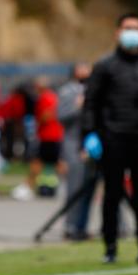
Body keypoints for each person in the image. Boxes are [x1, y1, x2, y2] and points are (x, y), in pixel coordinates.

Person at [82, 13, 138, 265]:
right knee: (112, 194)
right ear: (118, 32)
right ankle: (110, 247)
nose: (132, 32)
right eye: (128, 28)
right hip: (113, 138)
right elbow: (91, 103)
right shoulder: (104, 66)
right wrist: (90, 134)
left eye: (137, 28)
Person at [12, 76, 66, 199]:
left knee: (38, 162)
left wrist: (38, 122)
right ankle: (67, 185)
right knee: (55, 162)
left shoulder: (46, 97)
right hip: (53, 135)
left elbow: (47, 114)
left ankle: (27, 187)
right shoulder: (52, 96)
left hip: (48, 135)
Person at [58, 62, 94, 240]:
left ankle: (83, 226)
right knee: (75, 187)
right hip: (73, 144)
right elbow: (62, 117)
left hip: (92, 144)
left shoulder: (95, 89)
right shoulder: (68, 91)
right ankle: (71, 227)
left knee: (92, 189)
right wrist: (78, 106)